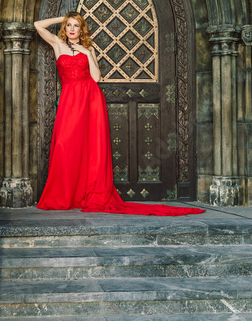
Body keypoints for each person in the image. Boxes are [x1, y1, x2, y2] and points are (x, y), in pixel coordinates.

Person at [34, 12, 205, 216]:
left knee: (90, 147)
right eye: (69, 25)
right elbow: (37, 25)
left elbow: (96, 78)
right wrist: (61, 18)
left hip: (90, 99)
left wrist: (87, 54)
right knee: (65, 144)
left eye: (76, 25)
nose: (71, 29)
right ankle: (64, 195)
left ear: (82, 29)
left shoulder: (89, 48)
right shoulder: (57, 44)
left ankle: (86, 193)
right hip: (70, 100)